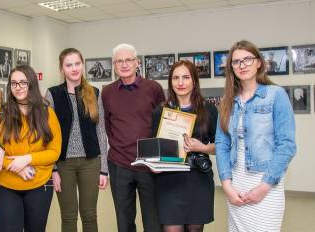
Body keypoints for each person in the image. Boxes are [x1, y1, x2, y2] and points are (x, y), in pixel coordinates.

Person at [215, 40, 296, 232]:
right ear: (231, 67)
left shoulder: (276, 95)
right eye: (236, 62)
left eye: (247, 59)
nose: (242, 65)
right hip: (236, 182)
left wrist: (264, 186)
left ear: (259, 62)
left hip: (266, 182)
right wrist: (226, 184)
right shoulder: (228, 101)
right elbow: (222, 143)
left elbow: (286, 145)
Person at [0, 65, 62, 232]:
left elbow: (54, 152)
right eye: (13, 83)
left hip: (40, 186)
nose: (18, 87)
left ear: (32, 84)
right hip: (6, 187)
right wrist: (15, 166)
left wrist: (27, 159)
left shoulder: (47, 113)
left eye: (23, 83)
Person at [102, 43, 165, 232]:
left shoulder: (153, 88)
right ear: (114, 65)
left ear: (137, 62)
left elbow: (162, 123)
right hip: (119, 164)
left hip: (149, 164)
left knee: (153, 220)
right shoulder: (107, 92)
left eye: (128, 60)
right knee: (124, 221)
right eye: (119, 61)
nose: (124, 64)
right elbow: (108, 125)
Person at [45, 48, 108, 232]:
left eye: (77, 64)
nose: (74, 69)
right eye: (69, 65)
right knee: (68, 216)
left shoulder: (95, 93)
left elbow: (101, 131)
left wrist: (103, 169)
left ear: (83, 65)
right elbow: (47, 135)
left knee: (90, 215)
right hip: (63, 164)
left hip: (91, 162)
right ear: (62, 69)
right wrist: (53, 168)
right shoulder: (53, 94)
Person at [152, 60, 217, 232]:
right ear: (170, 82)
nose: (180, 83)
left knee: (195, 229)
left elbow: (221, 146)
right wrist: (154, 164)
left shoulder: (209, 110)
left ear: (194, 81)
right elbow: (154, 146)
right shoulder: (161, 111)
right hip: (169, 180)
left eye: (186, 77)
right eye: (176, 78)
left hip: (198, 179)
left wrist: (201, 147)